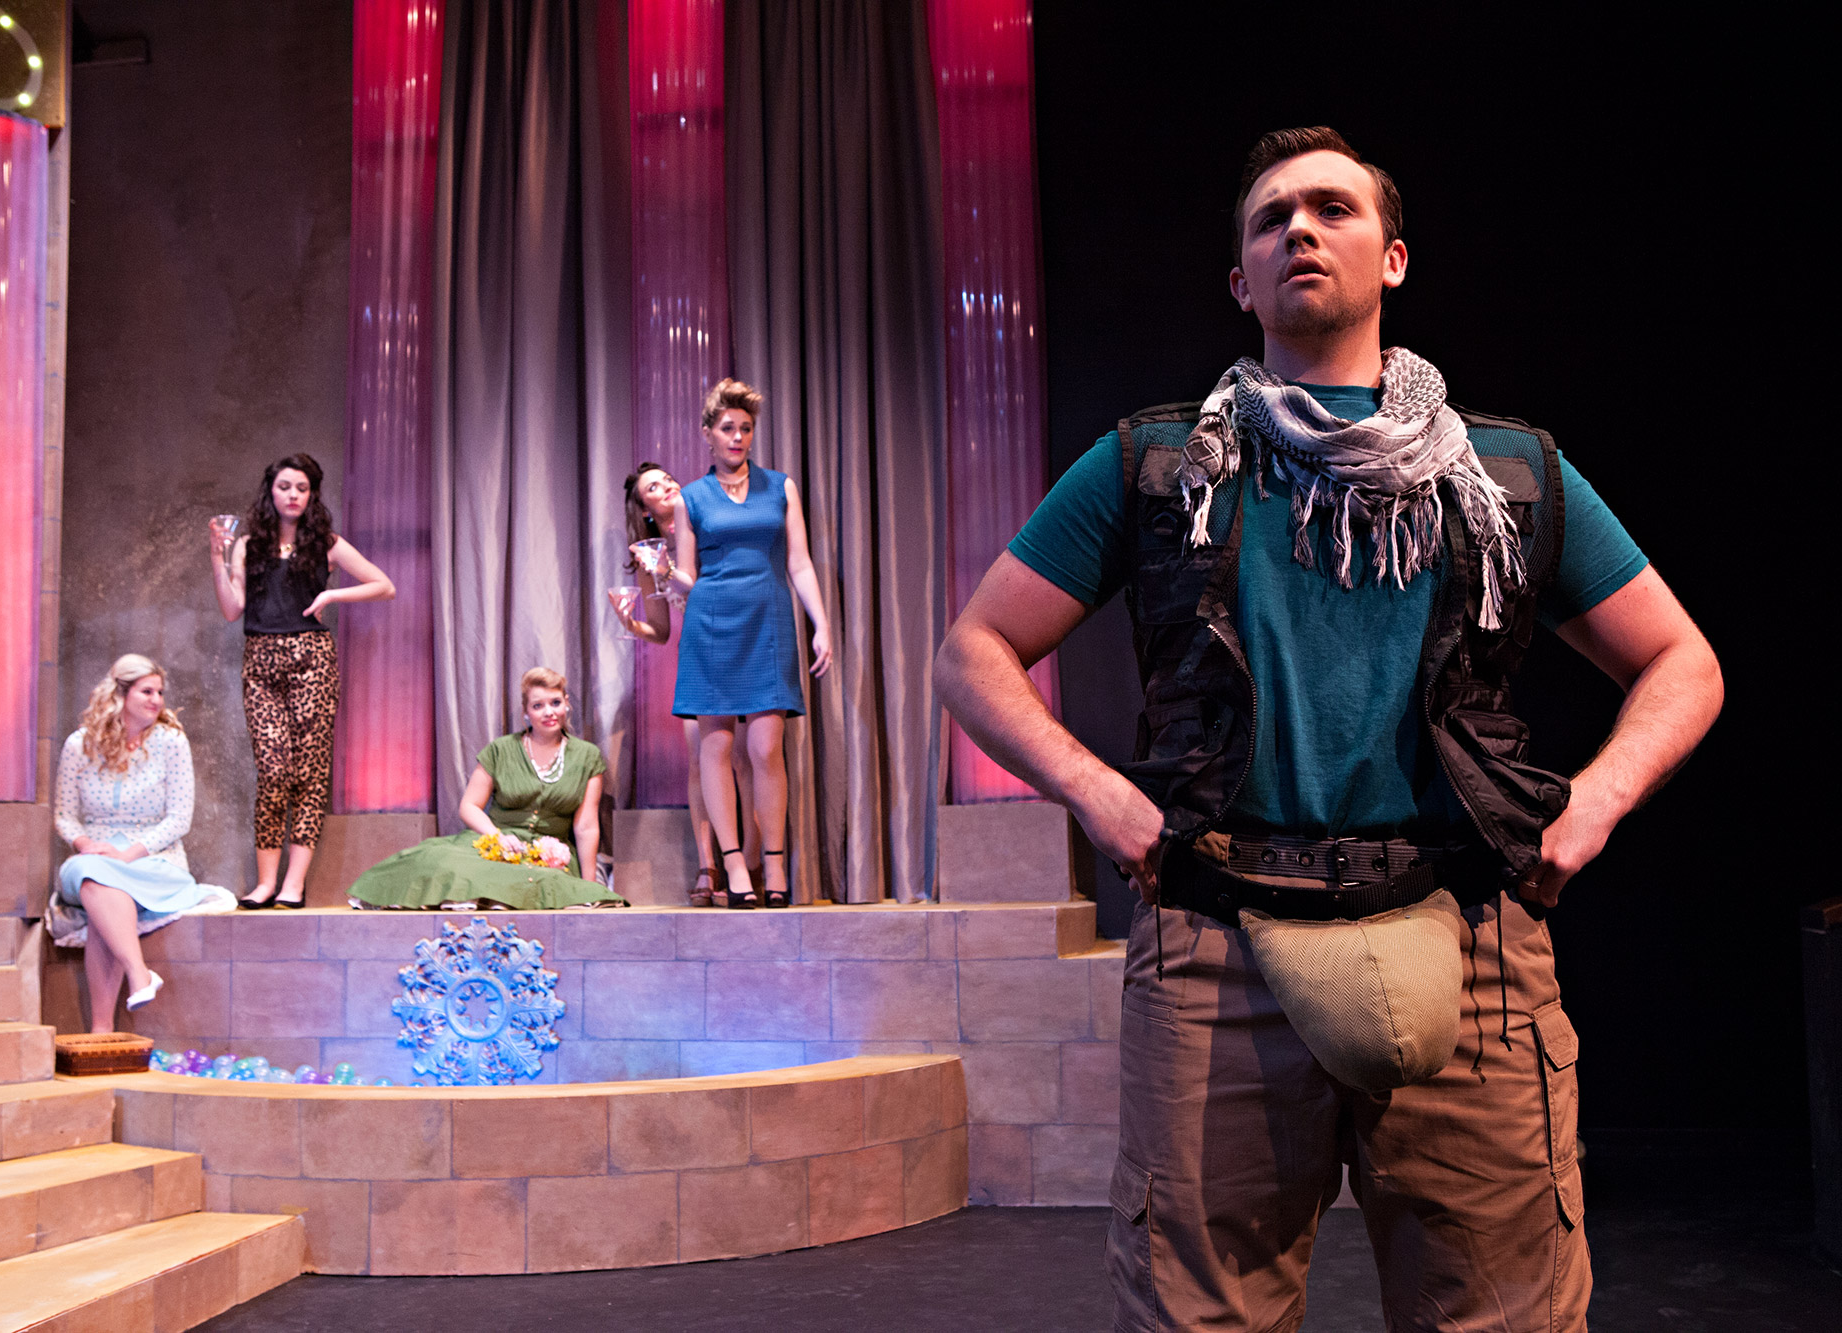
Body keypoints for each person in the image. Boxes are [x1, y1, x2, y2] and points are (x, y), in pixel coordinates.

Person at [934, 127, 1723, 1330]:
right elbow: (972, 652)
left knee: (1501, 1316)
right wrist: (1097, 794)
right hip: (1217, 943)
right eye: (1270, 220)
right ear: (1239, 283)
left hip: (1468, 936)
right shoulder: (1159, 466)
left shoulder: (1504, 473)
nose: (1298, 228)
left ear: (1392, 258)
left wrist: (1594, 802)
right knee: (1200, 1318)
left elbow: (1681, 662)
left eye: (1331, 209)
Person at [669, 380, 833, 909]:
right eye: (727, 428)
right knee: (715, 748)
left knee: (765, 748)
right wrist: (665, 576)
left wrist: (821, 623)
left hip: (768, 621)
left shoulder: (780, 487)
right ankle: (735, 866)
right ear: (708, 434)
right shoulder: (690, 497)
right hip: (711, 625)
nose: (737, 436)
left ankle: (776, 863)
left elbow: (799, 563)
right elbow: (688, 575)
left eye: (745, 428)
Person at [209, 453, 394, 908]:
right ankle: (265, 883)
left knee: (308, 774)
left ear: (312, 495)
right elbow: (232, 609)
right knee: (273, 771)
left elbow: (383, 585)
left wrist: (331, 593)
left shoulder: (326, 543)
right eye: (284, 486)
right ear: (270, 491)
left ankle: (293, 884)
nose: (293, 495)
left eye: (302, 488)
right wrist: (217, 555)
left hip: (312, 658)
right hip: (261, 660)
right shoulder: (248, 545)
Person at [348, 667, 626, 910]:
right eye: (538, 705)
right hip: (495, 843)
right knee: (438, 859)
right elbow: (469, 806)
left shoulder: (587, 756)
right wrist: (498, 837)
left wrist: (589, 885)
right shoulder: (500, 750)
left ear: (567, 704)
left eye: (555, 702)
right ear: (526, 713)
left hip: (549, 856)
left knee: (538, 880)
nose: (549, 712)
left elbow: (586, 827)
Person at [611, 460, 760, 907]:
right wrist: (630, 624)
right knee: (700, 759)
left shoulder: (709, 524)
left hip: (742, 641)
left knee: (746, 757)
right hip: (700, 655)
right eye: (654, 487)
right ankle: (707, 864)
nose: (667, 486)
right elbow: (660, 630)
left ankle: (752, 860)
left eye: (668, 479)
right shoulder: (649, 556)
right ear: (645, 509)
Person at [53, 655, 227, 1033]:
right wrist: (85, 843)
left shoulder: (171, 742)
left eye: (160, 692)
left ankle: (101, 1030)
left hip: (155, 861)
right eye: (147, 691)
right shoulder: (79, 744)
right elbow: (64, 815)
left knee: (104, 891)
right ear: (121, 694)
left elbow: (179, 819)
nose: (157, 700)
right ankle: (139, 973)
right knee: (93, 874)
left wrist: (127, 855)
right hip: (94, 857)